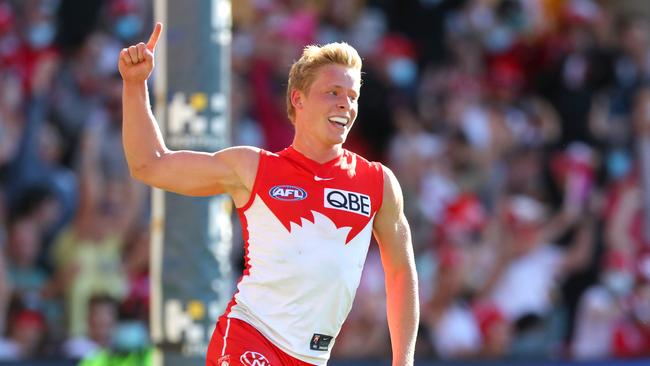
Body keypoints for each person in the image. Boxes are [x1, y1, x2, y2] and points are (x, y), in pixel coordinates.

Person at [118, 23, 419, 366]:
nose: (345, 106)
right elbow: (150, 165)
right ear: (298, 99)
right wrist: (134, 84)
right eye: (333, 92)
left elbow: (401, 272)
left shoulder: (379, 182)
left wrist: (403, 361)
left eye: (352, 97)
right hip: (250, 336)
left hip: (311, 358)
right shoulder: (253, 167)